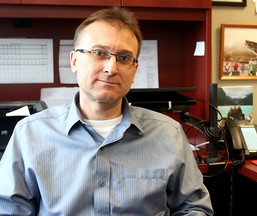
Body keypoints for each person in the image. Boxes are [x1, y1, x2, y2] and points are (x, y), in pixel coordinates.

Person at [0, 7, 213, 215]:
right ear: (74, 61)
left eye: (124, 58)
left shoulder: (168, 133)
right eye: (99, 53)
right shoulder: (30, 134)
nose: (111, 68)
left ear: (134, 70)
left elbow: (194, 207)